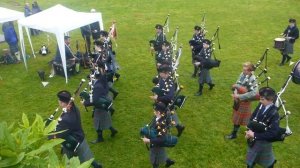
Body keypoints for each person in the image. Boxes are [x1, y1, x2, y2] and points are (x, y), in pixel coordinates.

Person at [49, 90, 102, 168]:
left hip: (73, 142)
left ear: (62, 103)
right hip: (80, 136)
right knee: (87, 156)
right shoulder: (74, 108)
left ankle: (97, 166)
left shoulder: (65, 119)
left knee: (70, 162)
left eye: (59, 100)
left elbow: (60, 134)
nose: (58, 102)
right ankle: (97, 166)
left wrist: (49, 133)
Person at [82, 63, 118, 143]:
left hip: (101, 103)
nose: (91, 77)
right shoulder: (102, 77)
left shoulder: (97, 86)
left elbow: (94, 100)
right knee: (105, 118)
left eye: (92, 76)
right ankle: (113, 130)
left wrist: (85, 103)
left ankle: (100, 138)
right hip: (105, 99)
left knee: (97, 121)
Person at [245, 87, 279, 168]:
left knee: (268, 162)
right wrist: (249, 131)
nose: (260, 101)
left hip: (264, 142)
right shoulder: (261, 105)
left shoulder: (274, 114)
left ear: (270, 100)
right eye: (260, 98)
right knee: (250, 160)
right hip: (253, 139)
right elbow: (253, 117)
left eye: (262, 99)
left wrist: (254, 135)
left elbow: (273, 133)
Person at [226, 62, 258, 139]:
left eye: (245, 70)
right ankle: (240, 132)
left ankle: (235, 134)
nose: (243, 71)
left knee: (240, 118)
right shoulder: (242, 74)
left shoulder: (253, 79)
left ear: (250, 71)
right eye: (243, 69)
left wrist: (239, 96)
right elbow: (237, 83)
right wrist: (235, 93)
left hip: (244, 101)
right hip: (237, 100)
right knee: (237, 117)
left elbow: (254, 93)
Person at [150, 65, 185, 137]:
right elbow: (159, 85)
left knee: (163, 118)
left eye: (161, 73)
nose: (159, 74)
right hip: (161, 103)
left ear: (166, 73)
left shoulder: (170, 84)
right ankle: (179, 127)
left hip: (166, 104)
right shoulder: (162, 78)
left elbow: (169, 97)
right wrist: (156, 93)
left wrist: (158, 98)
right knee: (170, 117)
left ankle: (155, 132)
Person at [141, 102, 175, 168]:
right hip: (155, 141)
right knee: (161, 153)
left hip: (156, 144)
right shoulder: (157, 117)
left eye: (154, 110)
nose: (153, 111)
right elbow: (152, 126)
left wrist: (148, 140)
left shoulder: (162, 124)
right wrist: (147, 133)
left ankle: (166, 161)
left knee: (155, 162)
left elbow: (162, 139)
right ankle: (168, 161)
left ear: (159, 112)